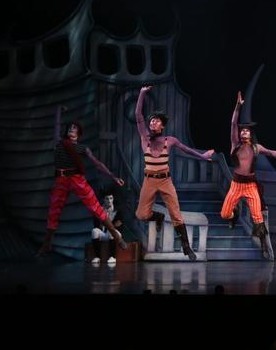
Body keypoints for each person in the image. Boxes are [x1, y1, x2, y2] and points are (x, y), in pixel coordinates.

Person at [134, 85, 215, 260]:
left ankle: (186, 247)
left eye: (156, 120)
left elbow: (187, 150)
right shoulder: (144, 138)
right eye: (151, 121)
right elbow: (138, 116)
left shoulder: (169, 141)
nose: (152, 122)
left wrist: (202, 156)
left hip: (165, 181)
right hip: (149, 180)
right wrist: (142, 93)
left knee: (176, 214)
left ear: (162, 125)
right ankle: (158, 216)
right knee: (141, 215)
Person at [38, 106, 126, 256]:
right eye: (70, 127)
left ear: (79, 132)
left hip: (77, 178)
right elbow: (56, 129)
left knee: (95, 207)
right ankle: (47, 244)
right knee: (54, 210)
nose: (71, 129)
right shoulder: (60, 143)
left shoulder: (83, 148)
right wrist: (58, 112)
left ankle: (115, 235)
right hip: (61, 179)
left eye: (74, 128)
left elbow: (97, 163)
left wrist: (112, 176)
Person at [221, 91, 276, 257]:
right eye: (242, 131)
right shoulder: (235, 145)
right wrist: (237, 106)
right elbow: (233, 123)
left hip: (250, 185)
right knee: (225, 214)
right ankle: (233, 215)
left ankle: (263, 244)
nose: (243, 133)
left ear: (251, 134)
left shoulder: (257, 147)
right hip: (236, 185)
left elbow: (272, 153)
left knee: (257, 216)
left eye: (246, 131)